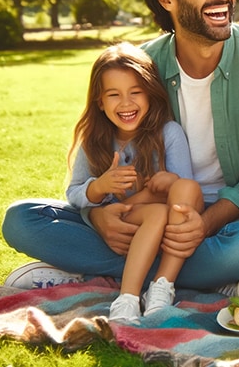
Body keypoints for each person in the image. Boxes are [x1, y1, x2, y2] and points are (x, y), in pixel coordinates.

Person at [2, 0, 239, 297]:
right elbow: (99, 148)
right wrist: (98, 217)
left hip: (227, 220)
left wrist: (201, 224)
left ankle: (113, 276)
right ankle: (190, 277)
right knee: (22, 219)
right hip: (143, 213)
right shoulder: (139, 67)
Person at [66, 43, 204, 322]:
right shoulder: (94, 141)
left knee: (182, 192)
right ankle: (127, 299)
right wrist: (100, 187)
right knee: (22, 216)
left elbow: (183, 196)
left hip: (167, 231)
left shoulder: (169, 133)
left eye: (135, 93)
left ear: (151, 95)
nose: (126, 104)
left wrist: (169, 180)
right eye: (114, 95)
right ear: (100, 102)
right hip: (119, 226)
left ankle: (160, 286)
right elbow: (73, 193)